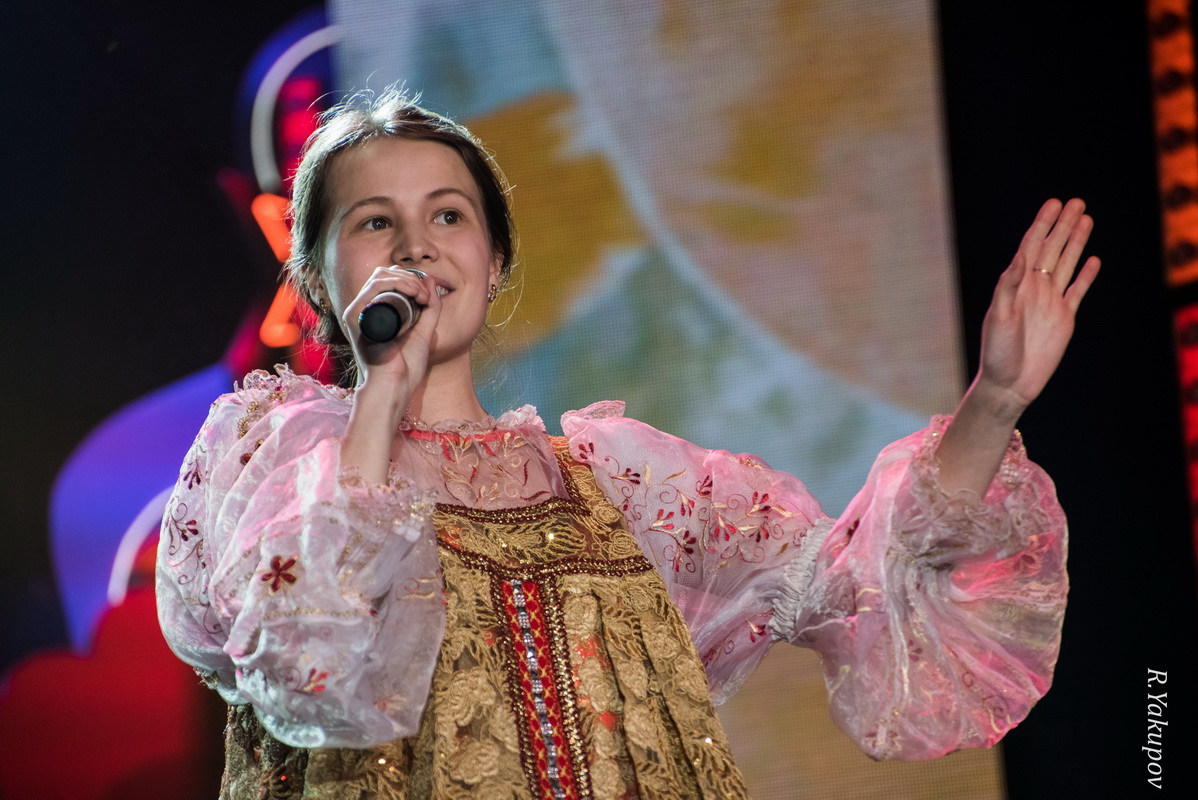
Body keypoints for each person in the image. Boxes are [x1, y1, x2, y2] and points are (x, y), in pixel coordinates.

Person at [157, 87, 1100, 799]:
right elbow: (304, 668)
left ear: (494, 262)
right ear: (315, 281)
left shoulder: (620, 485)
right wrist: (380, 398)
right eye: (375, 223)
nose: (418, 245)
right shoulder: (275, 459)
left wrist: (995, 400)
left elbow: (855, 583)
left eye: (449, 215)